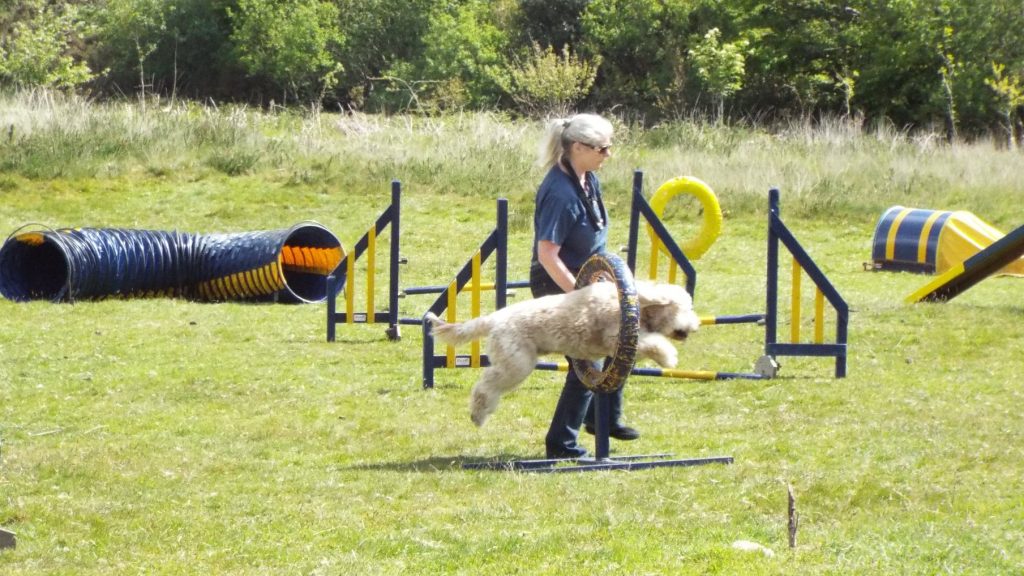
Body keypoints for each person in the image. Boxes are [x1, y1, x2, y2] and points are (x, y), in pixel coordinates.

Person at [529, 113, 640, 459]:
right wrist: (577, 294)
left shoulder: (588, 177)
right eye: (602, 149)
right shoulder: (559, 193)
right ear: (577, 147)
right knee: (586, 362)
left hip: (592, 279)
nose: (608, 154)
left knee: (624, 339)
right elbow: (547, 254)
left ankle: (603, 418)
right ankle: (560, 444)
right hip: (558, 283)